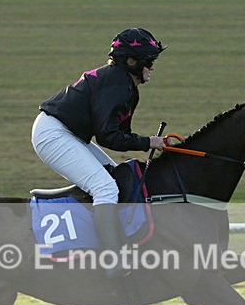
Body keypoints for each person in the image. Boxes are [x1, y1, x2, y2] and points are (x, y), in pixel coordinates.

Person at [32, 28, 167, 278]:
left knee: (113, 178)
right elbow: (109, 137)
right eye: (149, 61)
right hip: (53, 134)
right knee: (105, 188)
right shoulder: (118, 84)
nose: (152, 67)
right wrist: (149, 141)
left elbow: (118, 133)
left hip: (66, 131)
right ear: (131, 61)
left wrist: (148, 142)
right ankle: (112, 259)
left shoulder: (123, 84)